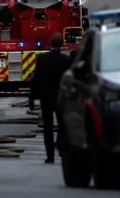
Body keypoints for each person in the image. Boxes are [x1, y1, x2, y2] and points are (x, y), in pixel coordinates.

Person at [29, 32, 72, 164]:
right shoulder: (66, 60)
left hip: (46, 97)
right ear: (62, 44)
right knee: (62, 125)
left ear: (50, 42)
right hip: (61, 97)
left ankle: (50, 155)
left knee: (47, 126)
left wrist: (32, 98)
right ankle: (61, 147)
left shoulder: (42, 59)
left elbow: (36, 79)